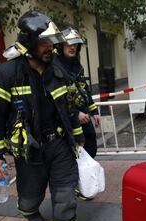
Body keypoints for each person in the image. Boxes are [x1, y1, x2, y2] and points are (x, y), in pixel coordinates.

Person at [0, 11, 87, 221]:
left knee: (65, 189)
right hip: (29, 149)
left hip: (59, 143)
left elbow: (68, 106)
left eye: (51, 42)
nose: (50, 47)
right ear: (29, 43)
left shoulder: (57, 70)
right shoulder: (5, 74)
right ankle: (29, 210)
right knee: (31, 193)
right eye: (44, 42)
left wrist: (77, 135)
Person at [54, 27, 101, 201]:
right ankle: (77, 186)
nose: (72, 47)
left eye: (75, 44)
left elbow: (84, 90)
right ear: (60, 46)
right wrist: (75, 113)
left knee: (90, 149)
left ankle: (84, 181)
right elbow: (59, 98)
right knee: (73, 154)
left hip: (84, 117)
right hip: (67, 120)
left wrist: (93, 110)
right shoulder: (55, 66)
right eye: (68, 44)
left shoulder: (77, 65)